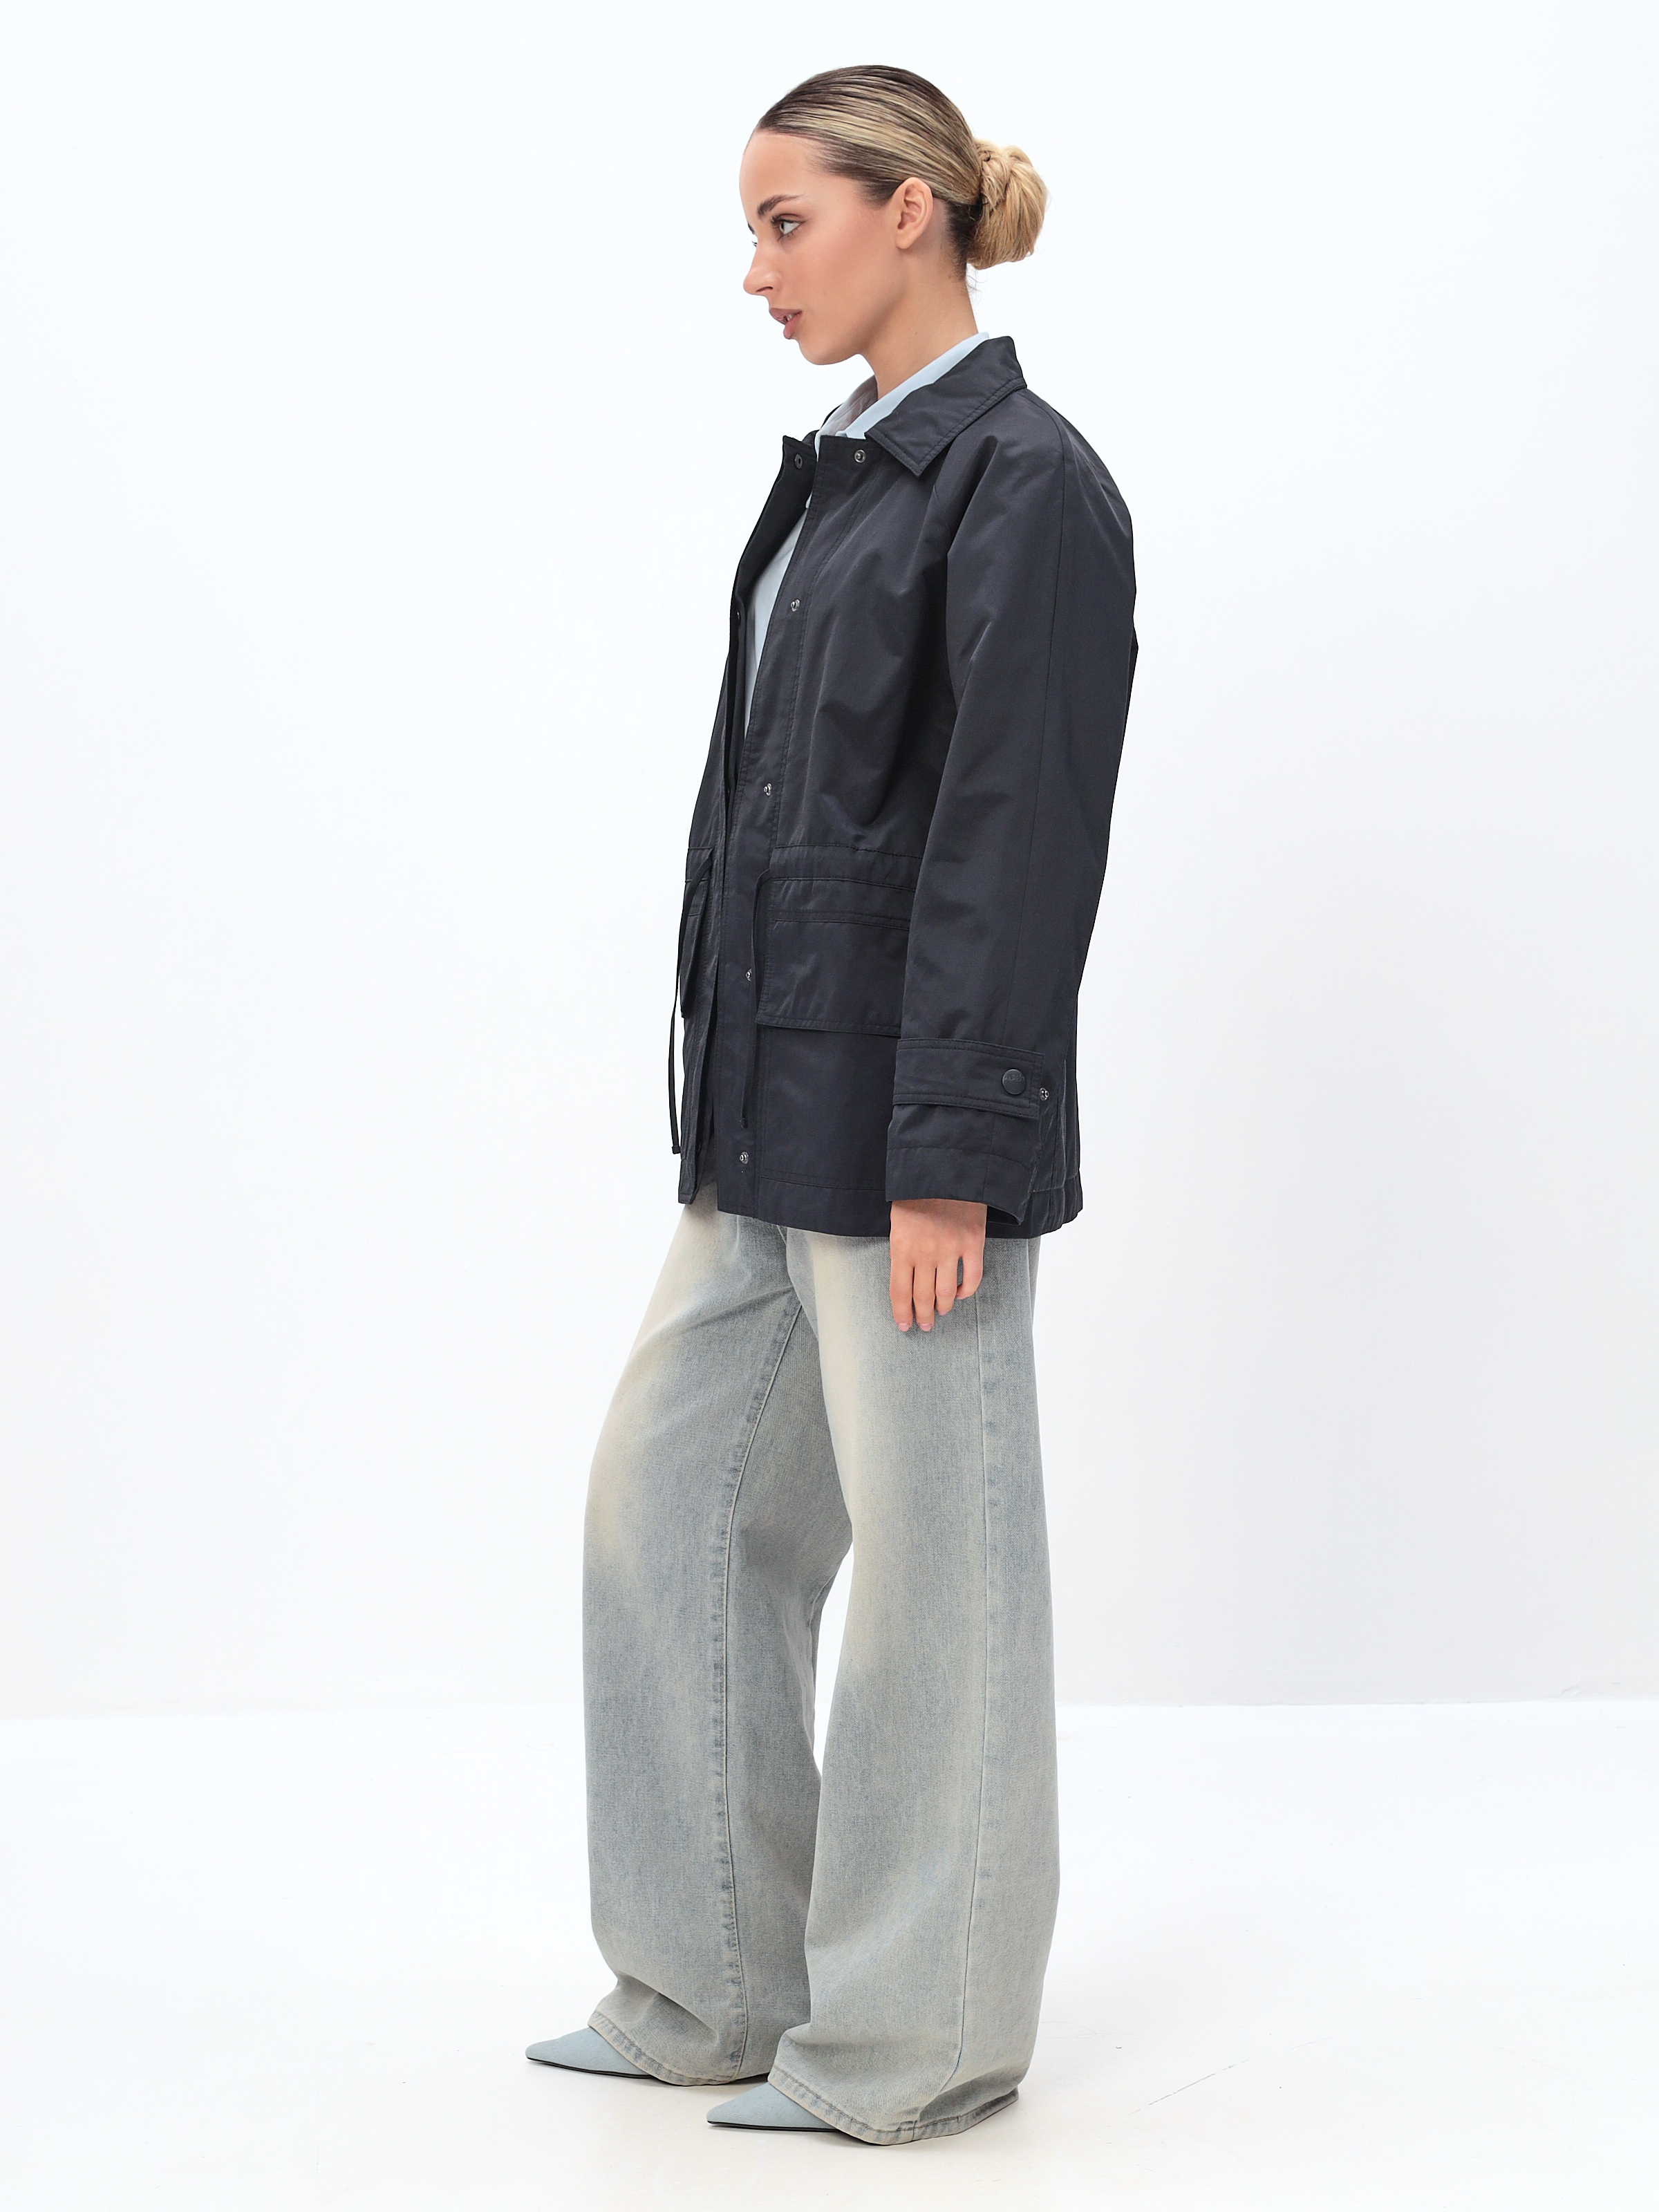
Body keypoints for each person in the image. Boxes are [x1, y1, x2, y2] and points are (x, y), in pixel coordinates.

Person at [527, 63, 1136, 2146]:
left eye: (786, 223)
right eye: (755, 229)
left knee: (939, 1584)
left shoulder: (1024, 486)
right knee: (666, 1512)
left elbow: (1012, 846)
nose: (758, 271)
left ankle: (916, 2041)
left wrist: (956, 1154)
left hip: (906, 1155)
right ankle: (708, 1987)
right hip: (768, 1127)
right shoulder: (845, 478)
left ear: (912, 213)